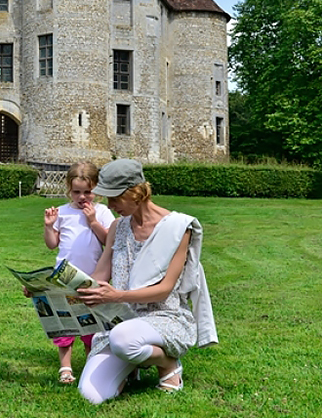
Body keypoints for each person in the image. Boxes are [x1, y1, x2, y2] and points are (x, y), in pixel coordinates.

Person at [75, 159, 217, 404]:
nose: (110, 206)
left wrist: (117, 296)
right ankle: (132, 365)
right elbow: (99, 276)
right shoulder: (118, 227)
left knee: (122, 339)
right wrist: (50, 288)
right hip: (122, 319)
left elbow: (164, 290)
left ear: (136, 193)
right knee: (91, 395)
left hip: (165, 317)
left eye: (115, 198)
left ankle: (167, 363)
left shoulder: (177, 228)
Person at [42, 161, 115, 385]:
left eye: (88, 192)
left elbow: (108, 241)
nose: (82, 197)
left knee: (91, 325)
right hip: (64, 277)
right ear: (69, 189)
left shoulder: (102, 212)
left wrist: (93, 221)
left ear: (96, 190)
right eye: (76, 192)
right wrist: (49, 226)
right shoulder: (62, 213)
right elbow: (52, 244)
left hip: (92, 277)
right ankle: (65, 368)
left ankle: (92, 363)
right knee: (65, 324)